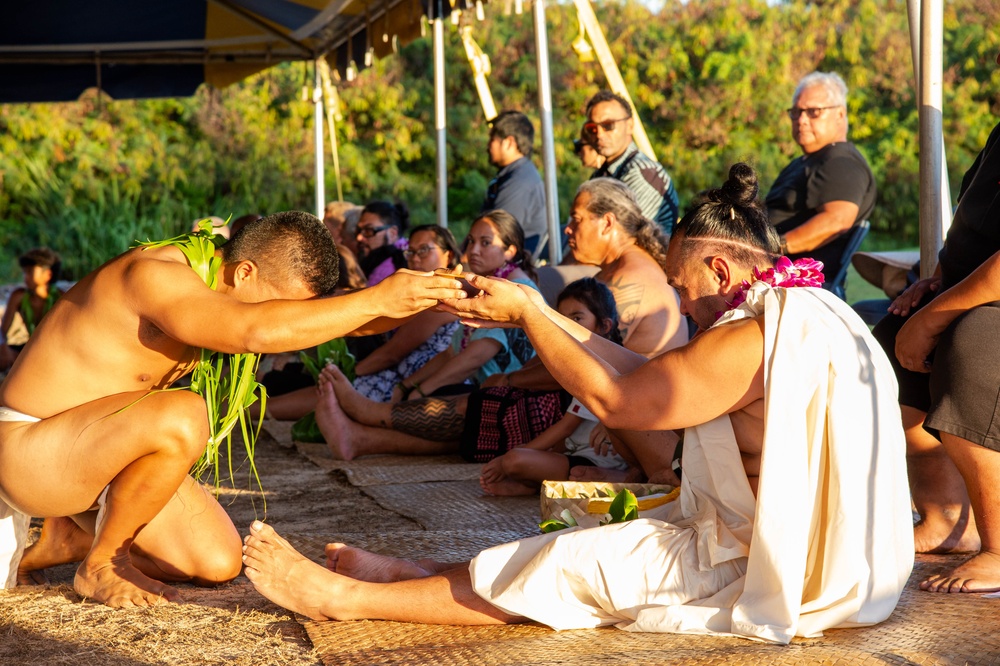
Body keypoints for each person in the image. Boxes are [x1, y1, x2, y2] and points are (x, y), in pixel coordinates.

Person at [241, 164, 913, 643]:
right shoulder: (810, 311)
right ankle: (415, 577)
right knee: (569, 549)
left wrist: (532, 316)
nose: (680, 304)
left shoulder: (752, 334)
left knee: (570, 565)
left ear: (719, 270)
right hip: (800, 555)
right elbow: (649, 371)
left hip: (765, 567)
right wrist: (532, 313)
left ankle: (348, 601)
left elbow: (618, 401)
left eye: (682, 288)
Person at [0, 211, 467, 604]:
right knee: (183, 414)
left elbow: (338, 318)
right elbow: (256, 329)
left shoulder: (221, 280)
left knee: (218, 561)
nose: (288, 320)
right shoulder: (156, 276)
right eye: (284, 306)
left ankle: (68, 538)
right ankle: (102, 564)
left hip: (96, 456)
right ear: (244, 272)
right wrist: (380, 295)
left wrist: (438, 299)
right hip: (28, 450)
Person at [312, 182, 687, 461]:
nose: (567, 229)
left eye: (575, 220)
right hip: (606, 406)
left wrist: (510, 379)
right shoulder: (621, 271)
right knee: (482, 403)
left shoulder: (629, 280)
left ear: (607, 223)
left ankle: (367, 417)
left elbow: (577, 364)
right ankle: (361, 435)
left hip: (619, 422)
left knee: (484, 403)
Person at [872, 53, 1000, 591]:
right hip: (978, 291)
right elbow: (972, 227)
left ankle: (999, 548)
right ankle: (947, 520)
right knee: (881, 347)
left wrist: (937, 316)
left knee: (969, 346)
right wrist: (936, 282)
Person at [314, 209, 539, 459]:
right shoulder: (486, 285)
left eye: (485, 243)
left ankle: (366, 420)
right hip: (479, 386)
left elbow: (477, 354)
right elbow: (452, 352)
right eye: (472, 241)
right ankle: (358, 435)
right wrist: (409, 385)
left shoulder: (517, 289)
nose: (474, 250)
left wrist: (423, 390)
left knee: (446, 407)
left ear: (510, 251)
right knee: (439, 403)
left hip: (508, 393)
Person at [261, 224, 462, 416]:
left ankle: (248, 412)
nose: (416, 258)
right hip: (392, 372)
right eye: (411, 252)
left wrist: (349, 374)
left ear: (449, 255)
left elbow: (391, 354)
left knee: (330, 386)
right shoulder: (422, 292)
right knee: (294, 378)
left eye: (424, 250)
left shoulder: (442, 297)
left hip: (407, 380)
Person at [479, 277, 626, 496]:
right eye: (561, 319)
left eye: (577, 318)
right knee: (527, 456)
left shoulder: (602, 365)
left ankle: (535, 486)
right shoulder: (575, 361)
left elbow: (566, 427)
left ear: (604, 326)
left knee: (514, 460)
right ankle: (535, 485)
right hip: (573, 451)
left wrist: (507, 459)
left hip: (594, 461)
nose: (565, 327)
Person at [766, 71, 876, 292]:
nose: (802, 120)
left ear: (840, 114)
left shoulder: (840, 162)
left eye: (813, 112)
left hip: (795, 287)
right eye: (796, 112)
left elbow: (836, 221)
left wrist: (771, 246)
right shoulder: (806, 161)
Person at [585, 90, 679, 234]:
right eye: (592, 128)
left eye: (608, 125)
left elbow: (620, 237)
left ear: (629, 125)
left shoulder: (642, 173)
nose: (599, 134)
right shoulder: (603, 173)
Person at [483, 111, 547, 255]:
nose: (488, 145)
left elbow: (494, 235)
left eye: (492, 139)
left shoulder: (520, 182)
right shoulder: (511, 175)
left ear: (509, 143)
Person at [0, 248, 63, 372]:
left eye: (30, 272)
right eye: (24, 272)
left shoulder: (61, 297)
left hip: (56, 349)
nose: (25, 277)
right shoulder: (18, 296)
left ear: (48, 274)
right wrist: (3, 346)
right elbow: (2, 331)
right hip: (31, 349)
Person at [356, 201, 409, 286]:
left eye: (369, 230)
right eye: (359, 230)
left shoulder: (388, 267)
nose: (359, 237)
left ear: (392, 233)